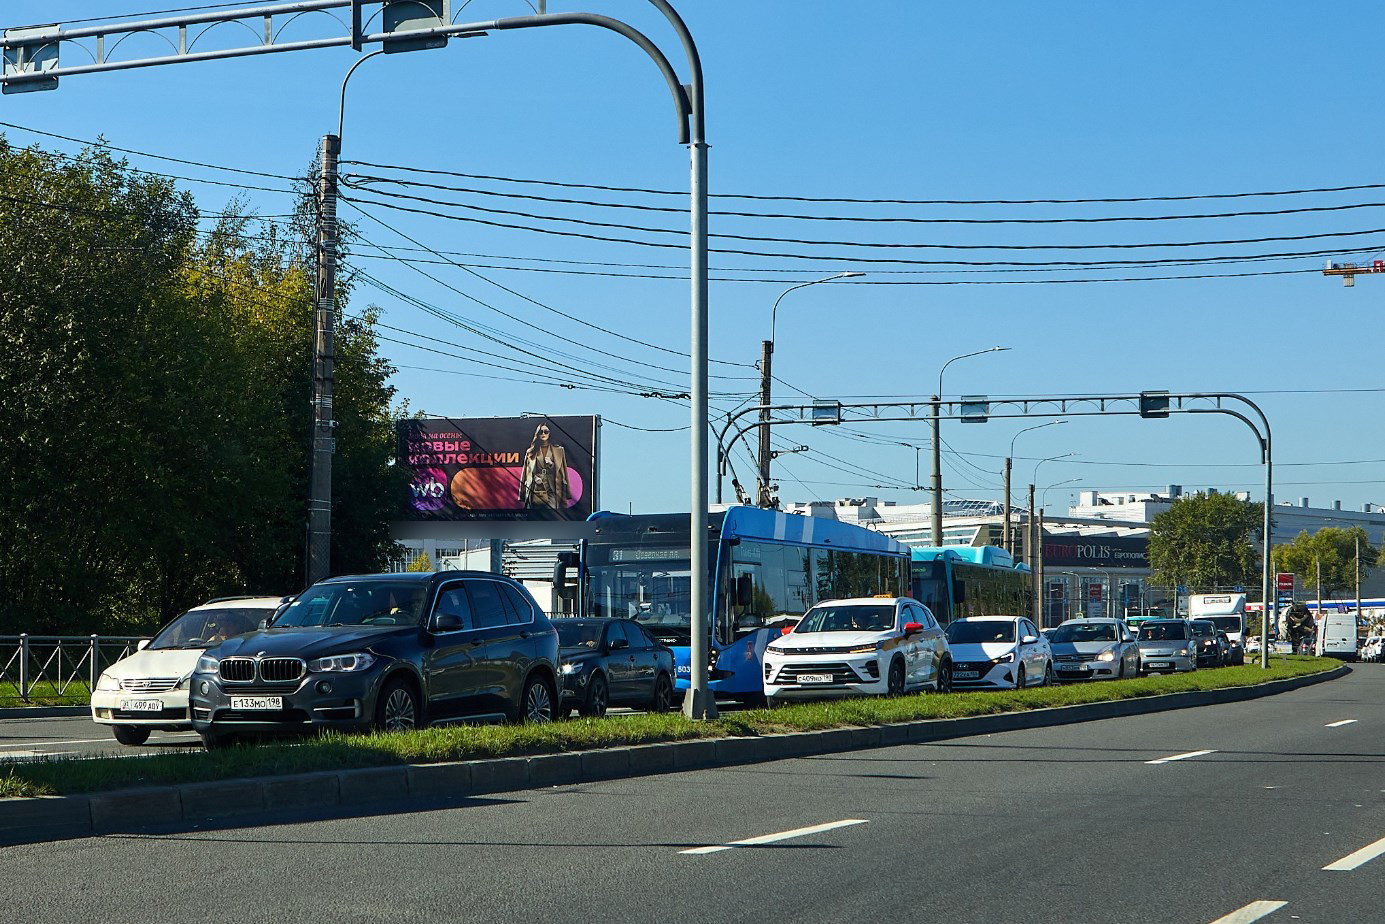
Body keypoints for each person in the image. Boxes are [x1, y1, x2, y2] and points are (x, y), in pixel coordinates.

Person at [518, 423, 571, 510]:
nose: (543, 434)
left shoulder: (559, 450)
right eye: (541, 432)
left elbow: (562, 471)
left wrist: (551, 464)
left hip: (552, 486)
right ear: (537, 434)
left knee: (552, 514)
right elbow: (525, 473)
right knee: (534, 515)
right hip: (535, 487)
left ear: (550, 433)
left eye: (546, 432)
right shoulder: (531, 451)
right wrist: (522, 493)